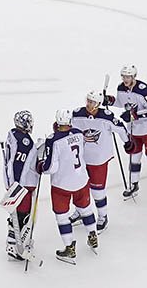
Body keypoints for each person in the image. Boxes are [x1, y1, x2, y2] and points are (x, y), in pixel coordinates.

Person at [37, 109, 98, 264]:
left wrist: (41, 166)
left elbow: (51, 168)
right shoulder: (78, 133)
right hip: (81, 179)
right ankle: (92, 235)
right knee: (85, 209)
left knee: (62, 216)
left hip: (62, 184)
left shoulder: (53, 140)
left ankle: (69, 248)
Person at [69, 91, 132, 232]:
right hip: (81, 159)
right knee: (79, 188)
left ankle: (103, 216)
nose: (89, 104)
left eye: (92, 102)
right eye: (88, 100)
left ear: (98, 104)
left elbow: (121, 129)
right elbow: (68, 126)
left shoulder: (106, 117)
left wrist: (127, 142)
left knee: (98, 191)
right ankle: (80, 211)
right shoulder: (77, 114)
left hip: (99, 160)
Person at [112, 65, 147, 199]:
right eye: (124, 76)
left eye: (128, 77)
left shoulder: (143, 89)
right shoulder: (120, 88)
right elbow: (121, 103)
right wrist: (109, 100)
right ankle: (134, 184)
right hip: (134, 130)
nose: (125, 79)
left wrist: (134, 116)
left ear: (134, 77)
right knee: (134, 157)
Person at [2, 110, 39, 261]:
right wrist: (16, 187)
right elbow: (18, 165)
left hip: (14, 183)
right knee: (23, 216)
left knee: (16, 214)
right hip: (22, 185)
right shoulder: (24, 142)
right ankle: (16, 246)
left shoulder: (13, 135)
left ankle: (14, 243)